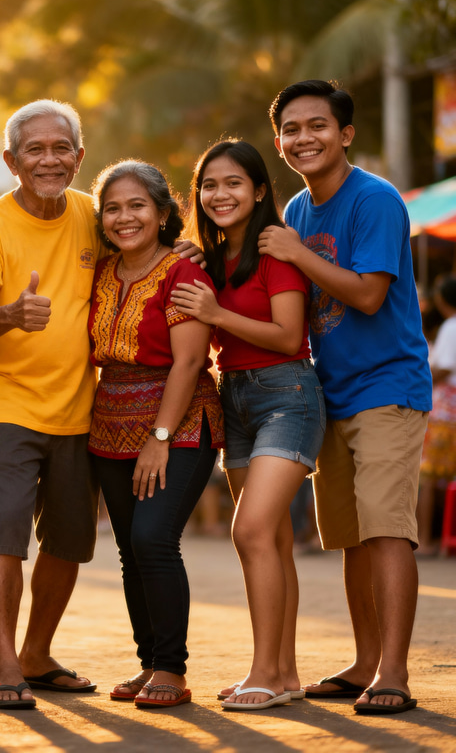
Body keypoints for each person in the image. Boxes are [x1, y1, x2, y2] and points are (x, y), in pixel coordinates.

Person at [259, 79, 432, 715]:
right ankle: (364, 662)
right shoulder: (298, 213)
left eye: (318, 126)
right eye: (292, 130)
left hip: (387, 386)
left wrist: (297, 255)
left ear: (346, 133)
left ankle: (394, 671)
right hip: (326, 394)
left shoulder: (375, 200)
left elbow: (366, 294)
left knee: (387, 530)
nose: (305, 138)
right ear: (279, 142)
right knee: (352, 537)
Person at [0, 99, 102, 710]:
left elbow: (148, 245)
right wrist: (11, 314)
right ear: (11, 161)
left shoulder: (95, 214)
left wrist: (187, 255)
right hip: (4, 402)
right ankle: (6, 664)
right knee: (5, 536)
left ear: (79, 157)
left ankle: (38, 653)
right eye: (34, 150)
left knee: (68, 541)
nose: (48, 159)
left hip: (80, 406)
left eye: (59, 147)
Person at [172, 140, 325, 710]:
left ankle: (262, 672)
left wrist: (214, 313)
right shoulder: (211, 261)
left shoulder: (276, 253)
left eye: (234, 183)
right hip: (234, 399)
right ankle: (283, 675)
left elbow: (289, 336)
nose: (220, 194)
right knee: (274, 541)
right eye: (209, 185)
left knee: (251, 530)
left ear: (260, 190)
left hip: (288, 393)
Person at [88, 160, 223, 709]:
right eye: (113, 208)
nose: (125, 217)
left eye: (137, 205)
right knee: (128, 549)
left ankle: (172, 668)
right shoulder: (99, 272)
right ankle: (149, 664)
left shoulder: (183, 273)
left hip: (181, 420)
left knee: (153, 540)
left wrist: (159, 437)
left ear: (164, 213)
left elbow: (190, 363)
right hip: (109, 420)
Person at [417, 274, 456, 555]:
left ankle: (425, 541)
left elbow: (443, 368)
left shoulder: (451, 327)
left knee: (427, 476)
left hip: (444, 412)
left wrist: (418, 377)